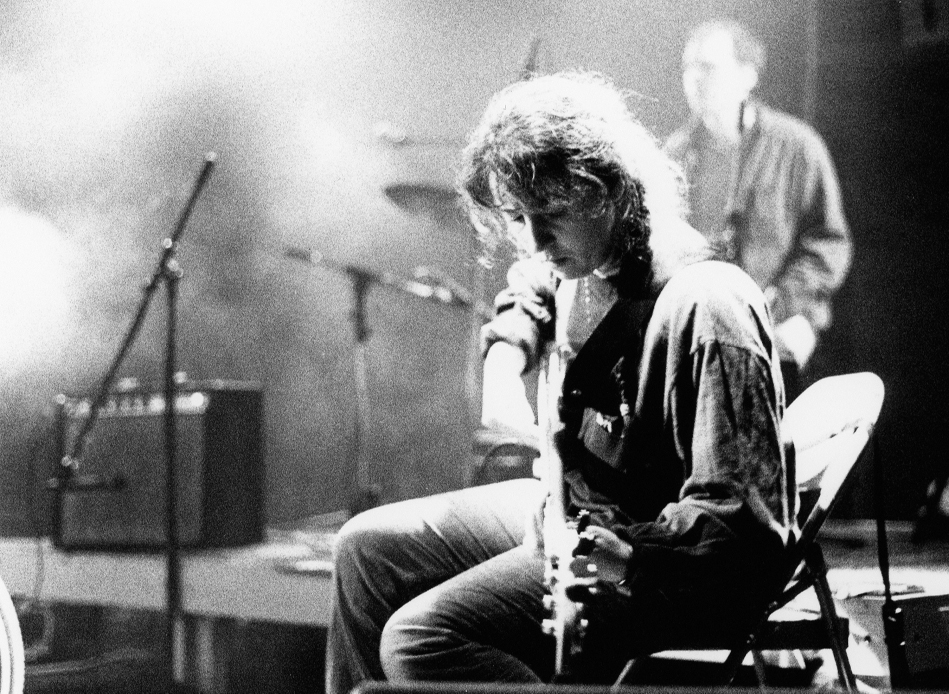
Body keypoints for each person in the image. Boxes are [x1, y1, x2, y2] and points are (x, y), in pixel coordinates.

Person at [325, 71, 796, 694]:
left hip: (654, 562)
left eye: (549, 215)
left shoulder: (708, 304)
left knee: (421, 638)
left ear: (609, 189)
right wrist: (506, 351)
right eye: (517, 218)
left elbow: (743, 534)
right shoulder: (583, 259)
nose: (534, 240)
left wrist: (630, 555)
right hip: (573, 510)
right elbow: (534, 284)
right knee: (364, 548)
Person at [665, 20, 852, 399]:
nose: (694, 78)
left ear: (747, 76)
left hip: (783, 323)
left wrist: (782, 300)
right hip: (706, 329)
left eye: (708, 67)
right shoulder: (675, 155)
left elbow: (828, 244)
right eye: (688, 67)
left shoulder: (798, 146)